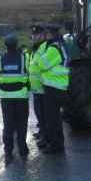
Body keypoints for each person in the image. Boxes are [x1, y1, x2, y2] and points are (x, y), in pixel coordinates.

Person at [35, 22, 70, 154]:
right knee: (55, 119)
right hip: (58, 87)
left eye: (47, 33)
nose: (45, 35)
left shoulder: (54, 48)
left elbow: (42, 65)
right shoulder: (60, 45)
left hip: (54, 87)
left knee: (53, 119)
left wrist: (39, 58)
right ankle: (56, 144)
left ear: (51, 34)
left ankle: (56, 146)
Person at [0, 33, 30, 163]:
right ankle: (22, 149)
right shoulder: (24, 57)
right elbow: (29, 72)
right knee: (22, 123)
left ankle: (8, 151)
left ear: (6, 45)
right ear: (16, 44)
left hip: (5, 96)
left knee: (8, 123)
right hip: (21, 95)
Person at [29, 23, 48, 148]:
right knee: (39, 113)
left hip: (44, 87)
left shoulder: (45, 48)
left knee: (45, 114)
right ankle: (42, 132)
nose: (35, 37)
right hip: (36, 89)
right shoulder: (35, 49)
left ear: (43, 35)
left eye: (38, 35)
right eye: (33, 35)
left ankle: (46, 137)